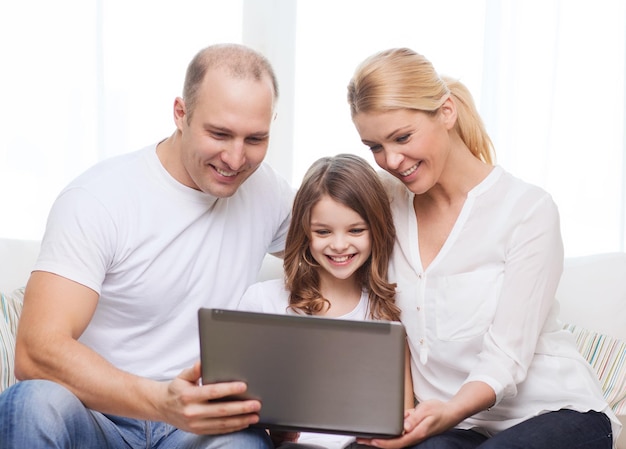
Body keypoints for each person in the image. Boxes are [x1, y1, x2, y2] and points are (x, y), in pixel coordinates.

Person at [0, 43, 294, 448]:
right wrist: (160, 401)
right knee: (34, 402)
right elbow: (35, 351)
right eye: (219, 133)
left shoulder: (269, 193)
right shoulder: (99, 197)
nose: (236, 158)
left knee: (244, 443)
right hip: (99, 415)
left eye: (255, 138)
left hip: (197, 428)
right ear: (181, 113)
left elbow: (347, 248)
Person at [345, 47, 621, 449]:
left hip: (554, 412)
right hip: (454, 425)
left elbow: (506, 356)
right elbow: (312, 223)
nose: (391, 159)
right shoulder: (383, 206)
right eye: (374, 147)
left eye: (402, 137)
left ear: (446, 111)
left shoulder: (527, 211)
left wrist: (449, 410)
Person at [238, 154, 415, 449]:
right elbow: (240, 411)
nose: (339, 245)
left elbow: (402, 417)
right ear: (305, 233)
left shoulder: (385, 311)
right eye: (323, 232)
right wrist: (274, 433)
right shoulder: (264, 302)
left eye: (356, 230)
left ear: (377, 230)